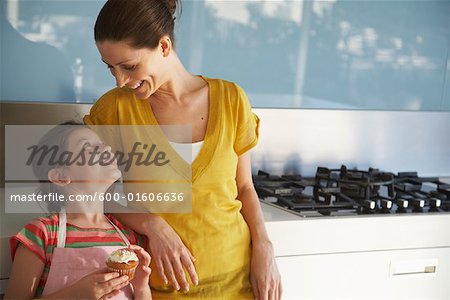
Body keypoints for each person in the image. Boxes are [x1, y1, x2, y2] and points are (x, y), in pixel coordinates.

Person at [84, 0, 282, 298]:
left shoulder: (231, 100)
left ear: (163, 46)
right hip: (157, 289)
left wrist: (264, 248)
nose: (120, 80)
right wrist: (153, 225)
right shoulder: (114, 110)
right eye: (111, 68)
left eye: (129, 66)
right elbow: (96, 194)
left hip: (237, 281)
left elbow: (244, 187)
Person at [4, 123, 152, 299]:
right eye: (87, 146)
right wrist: (74, 295)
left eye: (102, 142)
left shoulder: (131, 237)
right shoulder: (41, 234)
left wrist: (142, 287)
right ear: (61, 176)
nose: (105, 147)